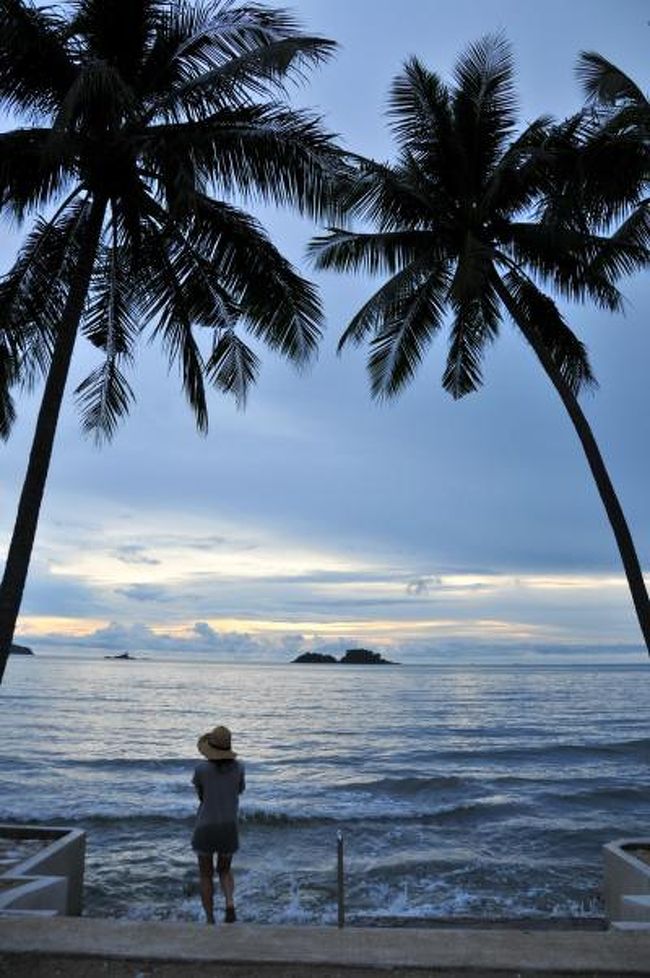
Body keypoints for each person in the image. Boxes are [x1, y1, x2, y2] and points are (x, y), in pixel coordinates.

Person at [192, 725, 246, 924]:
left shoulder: (201, 769)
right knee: (224, 869)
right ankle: (230, 903)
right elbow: (239, 791)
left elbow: (201, 796)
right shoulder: (239, 767)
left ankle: (210, 918)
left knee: (205, 874)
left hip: (205, 826)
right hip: (229, 827)